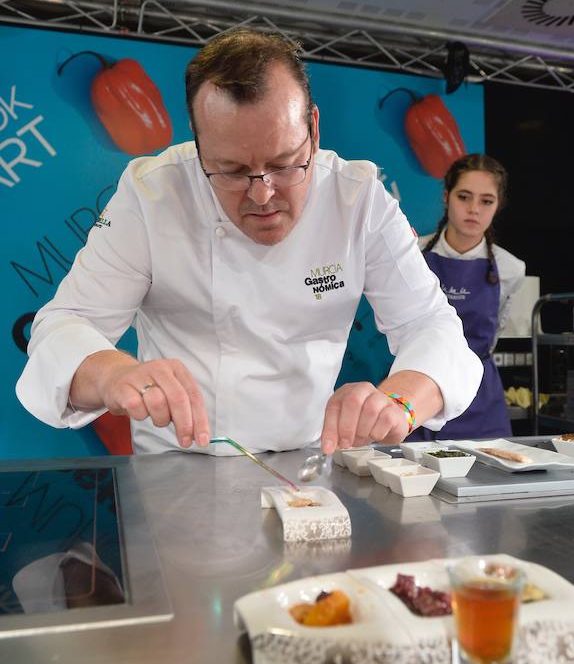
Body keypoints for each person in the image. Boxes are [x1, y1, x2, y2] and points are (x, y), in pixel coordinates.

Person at [16, 29, 482, 457]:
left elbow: (430, 325)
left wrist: (400, 401)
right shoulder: (152, 193)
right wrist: (115, 375)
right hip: (175, 468)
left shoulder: (357, 198)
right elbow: (63, 327)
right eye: (233, 171)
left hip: (306, 463)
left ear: (314, 130)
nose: (263, 195)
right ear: (198, 148)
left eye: (285, 164)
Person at [414, 154, 525, 440]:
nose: (474, 209)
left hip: (479, 396)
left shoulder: (511, 269)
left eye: (486, 201)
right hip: (417, 390)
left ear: (497, 205)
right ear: (446, 196)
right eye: (464, 197)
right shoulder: (412, 255)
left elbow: (496, 331)